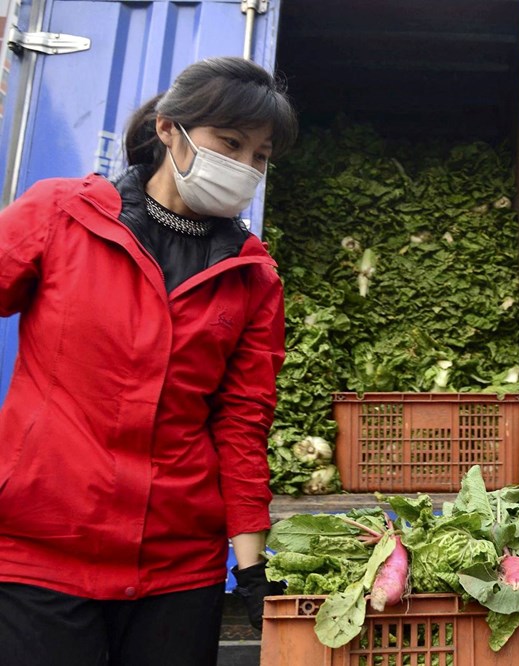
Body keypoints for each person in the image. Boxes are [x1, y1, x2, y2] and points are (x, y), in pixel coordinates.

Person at [0, 56, 297, 665]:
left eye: (260, 156)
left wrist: (250, 565)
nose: (244, 168)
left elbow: (241, 426)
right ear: (169, 129)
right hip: (42, 555)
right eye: (230, 143)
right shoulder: (63, 214)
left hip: (177, 568)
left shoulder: (253, 276)